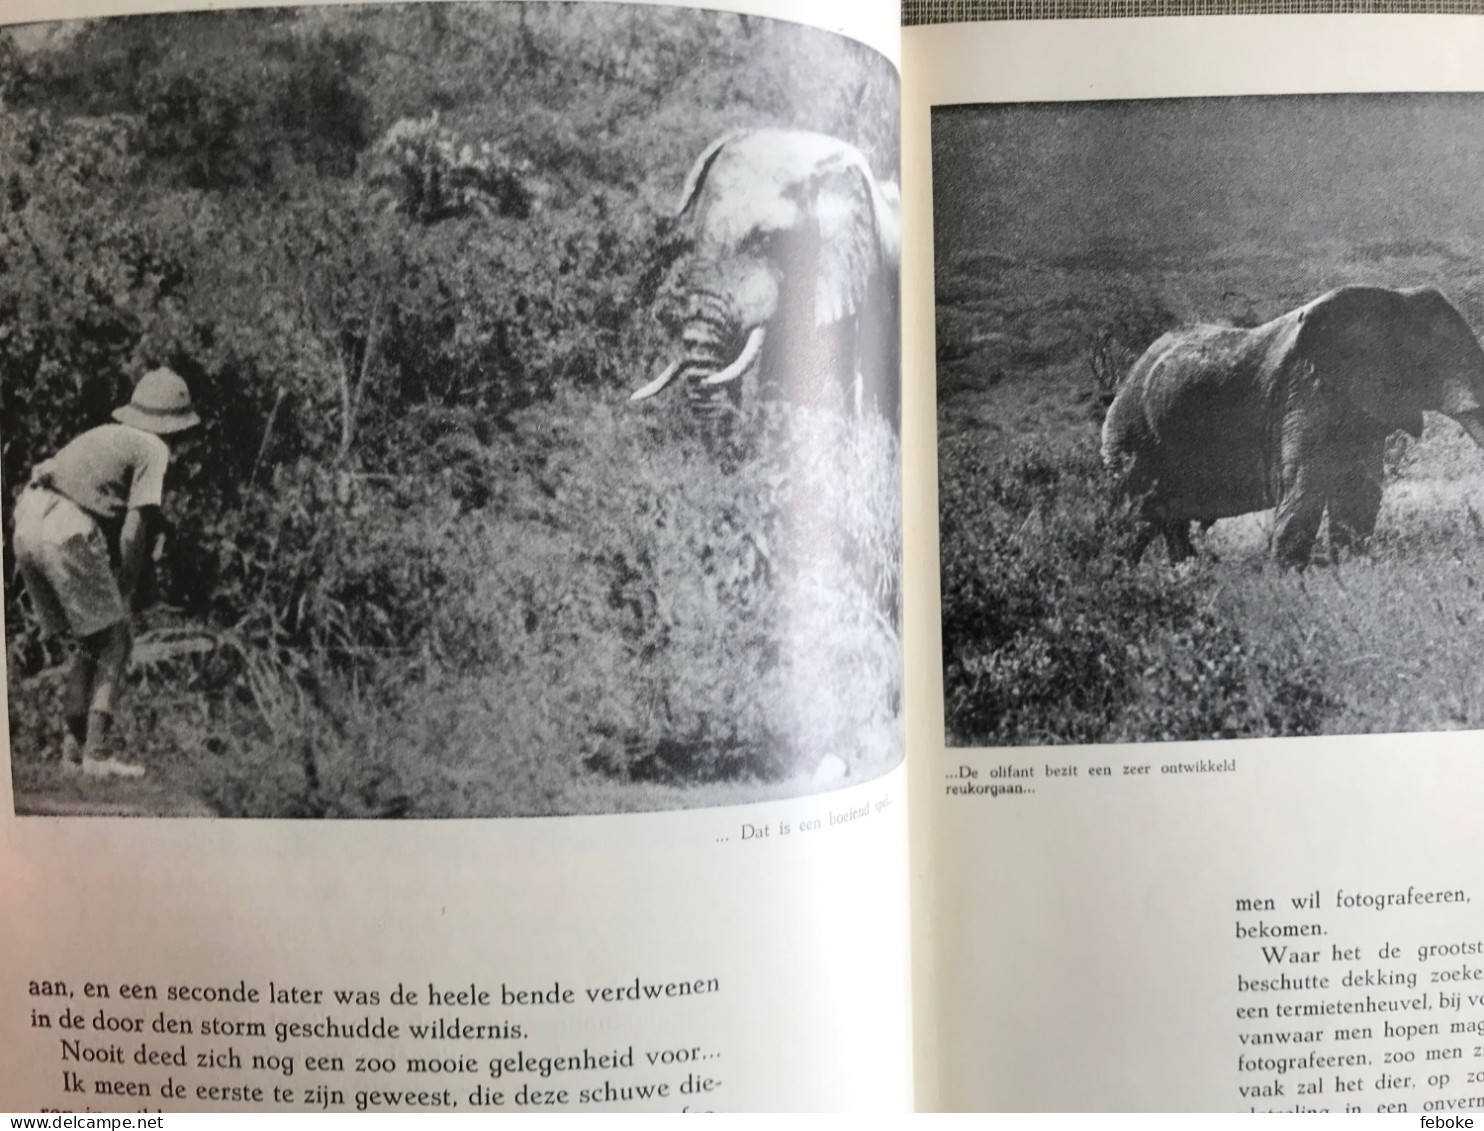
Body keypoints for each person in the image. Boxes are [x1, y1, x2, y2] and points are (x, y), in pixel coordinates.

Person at [12, 367, 200, 778]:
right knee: (117, 638)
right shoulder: (154, 449)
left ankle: (70, 755)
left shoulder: (109, 436)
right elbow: (134, 529)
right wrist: (127, 591)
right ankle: (96, 754)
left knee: (88, 641)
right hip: (65, 525)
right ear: (174, 426)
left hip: (27, 517)